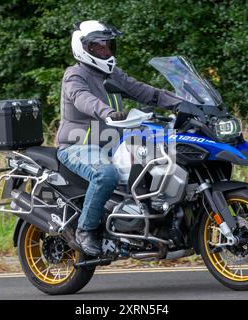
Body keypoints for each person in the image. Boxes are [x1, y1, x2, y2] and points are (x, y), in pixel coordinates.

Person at [56, 20, 182, 256]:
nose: (105, 50)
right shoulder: (74, 75)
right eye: (99, 46)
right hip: (78, 146)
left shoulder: (112, 73)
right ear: (84, 48)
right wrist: (108, 112)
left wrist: (184, 104)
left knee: (160, 161)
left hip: (114, 145)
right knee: (106, 174)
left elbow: (146, 92)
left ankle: (153, 225)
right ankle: (85, 229)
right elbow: (83, 99)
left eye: (108, 45)